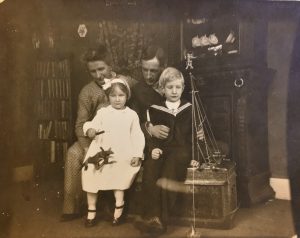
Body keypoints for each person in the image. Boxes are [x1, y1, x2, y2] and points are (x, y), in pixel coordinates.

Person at [61, 45, 136, 221]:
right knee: (73, 154)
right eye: (92, 71)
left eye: (101, 69)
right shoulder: (87, 92)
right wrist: (87, 148)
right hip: (95, 139)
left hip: (122, 138)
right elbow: (80, 125)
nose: (98, 75)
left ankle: (115, 204)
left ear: (110, 65)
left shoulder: (126, 83)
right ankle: (70, 207)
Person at [135, 67, 201, 236]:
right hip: (162, 150)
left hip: (181, 151)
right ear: (162, 89)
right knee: (151, 167)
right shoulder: (155, 110)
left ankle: (161, 221)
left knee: (168, 171)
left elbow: (195, 136)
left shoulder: (190, 108)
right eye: (169, 87)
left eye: (177, 87)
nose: (174, 91)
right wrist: (153, 148)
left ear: (183, 87)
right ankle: (151, 216)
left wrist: (195, 157)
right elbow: (152, 136)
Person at [81, 78, 145, 227]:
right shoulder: (103, 112)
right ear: (108, 97)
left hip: (122, 152)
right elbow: (93, 125)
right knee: (91, 173)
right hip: (102, 149)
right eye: (113, 96)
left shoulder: (131, 115)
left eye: (121, 95)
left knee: (119, 177)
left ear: (127, 96)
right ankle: (91, 211)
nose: (117, 99)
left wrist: (137, 154)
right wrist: (90, 130)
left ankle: (118, 210)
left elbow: (137, 135)